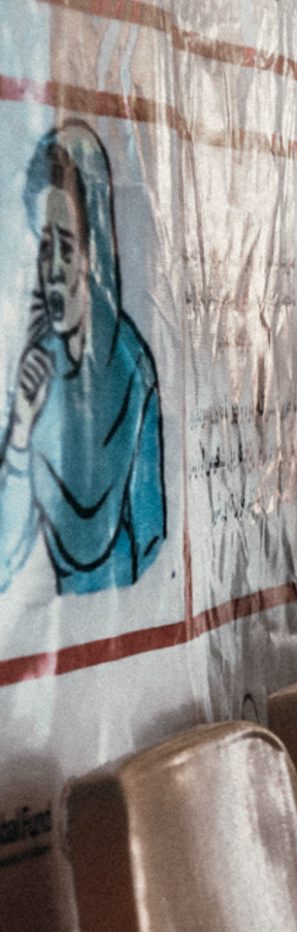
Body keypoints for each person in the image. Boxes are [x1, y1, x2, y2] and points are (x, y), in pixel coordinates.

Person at [0, 121, 165, 597]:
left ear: (92, 253)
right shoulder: (34, 368)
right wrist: (18, 438)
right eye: (44, 247)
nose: (52, 272)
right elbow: (6, 554)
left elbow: (150, 546)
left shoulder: (134, 375)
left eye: (66, 249)